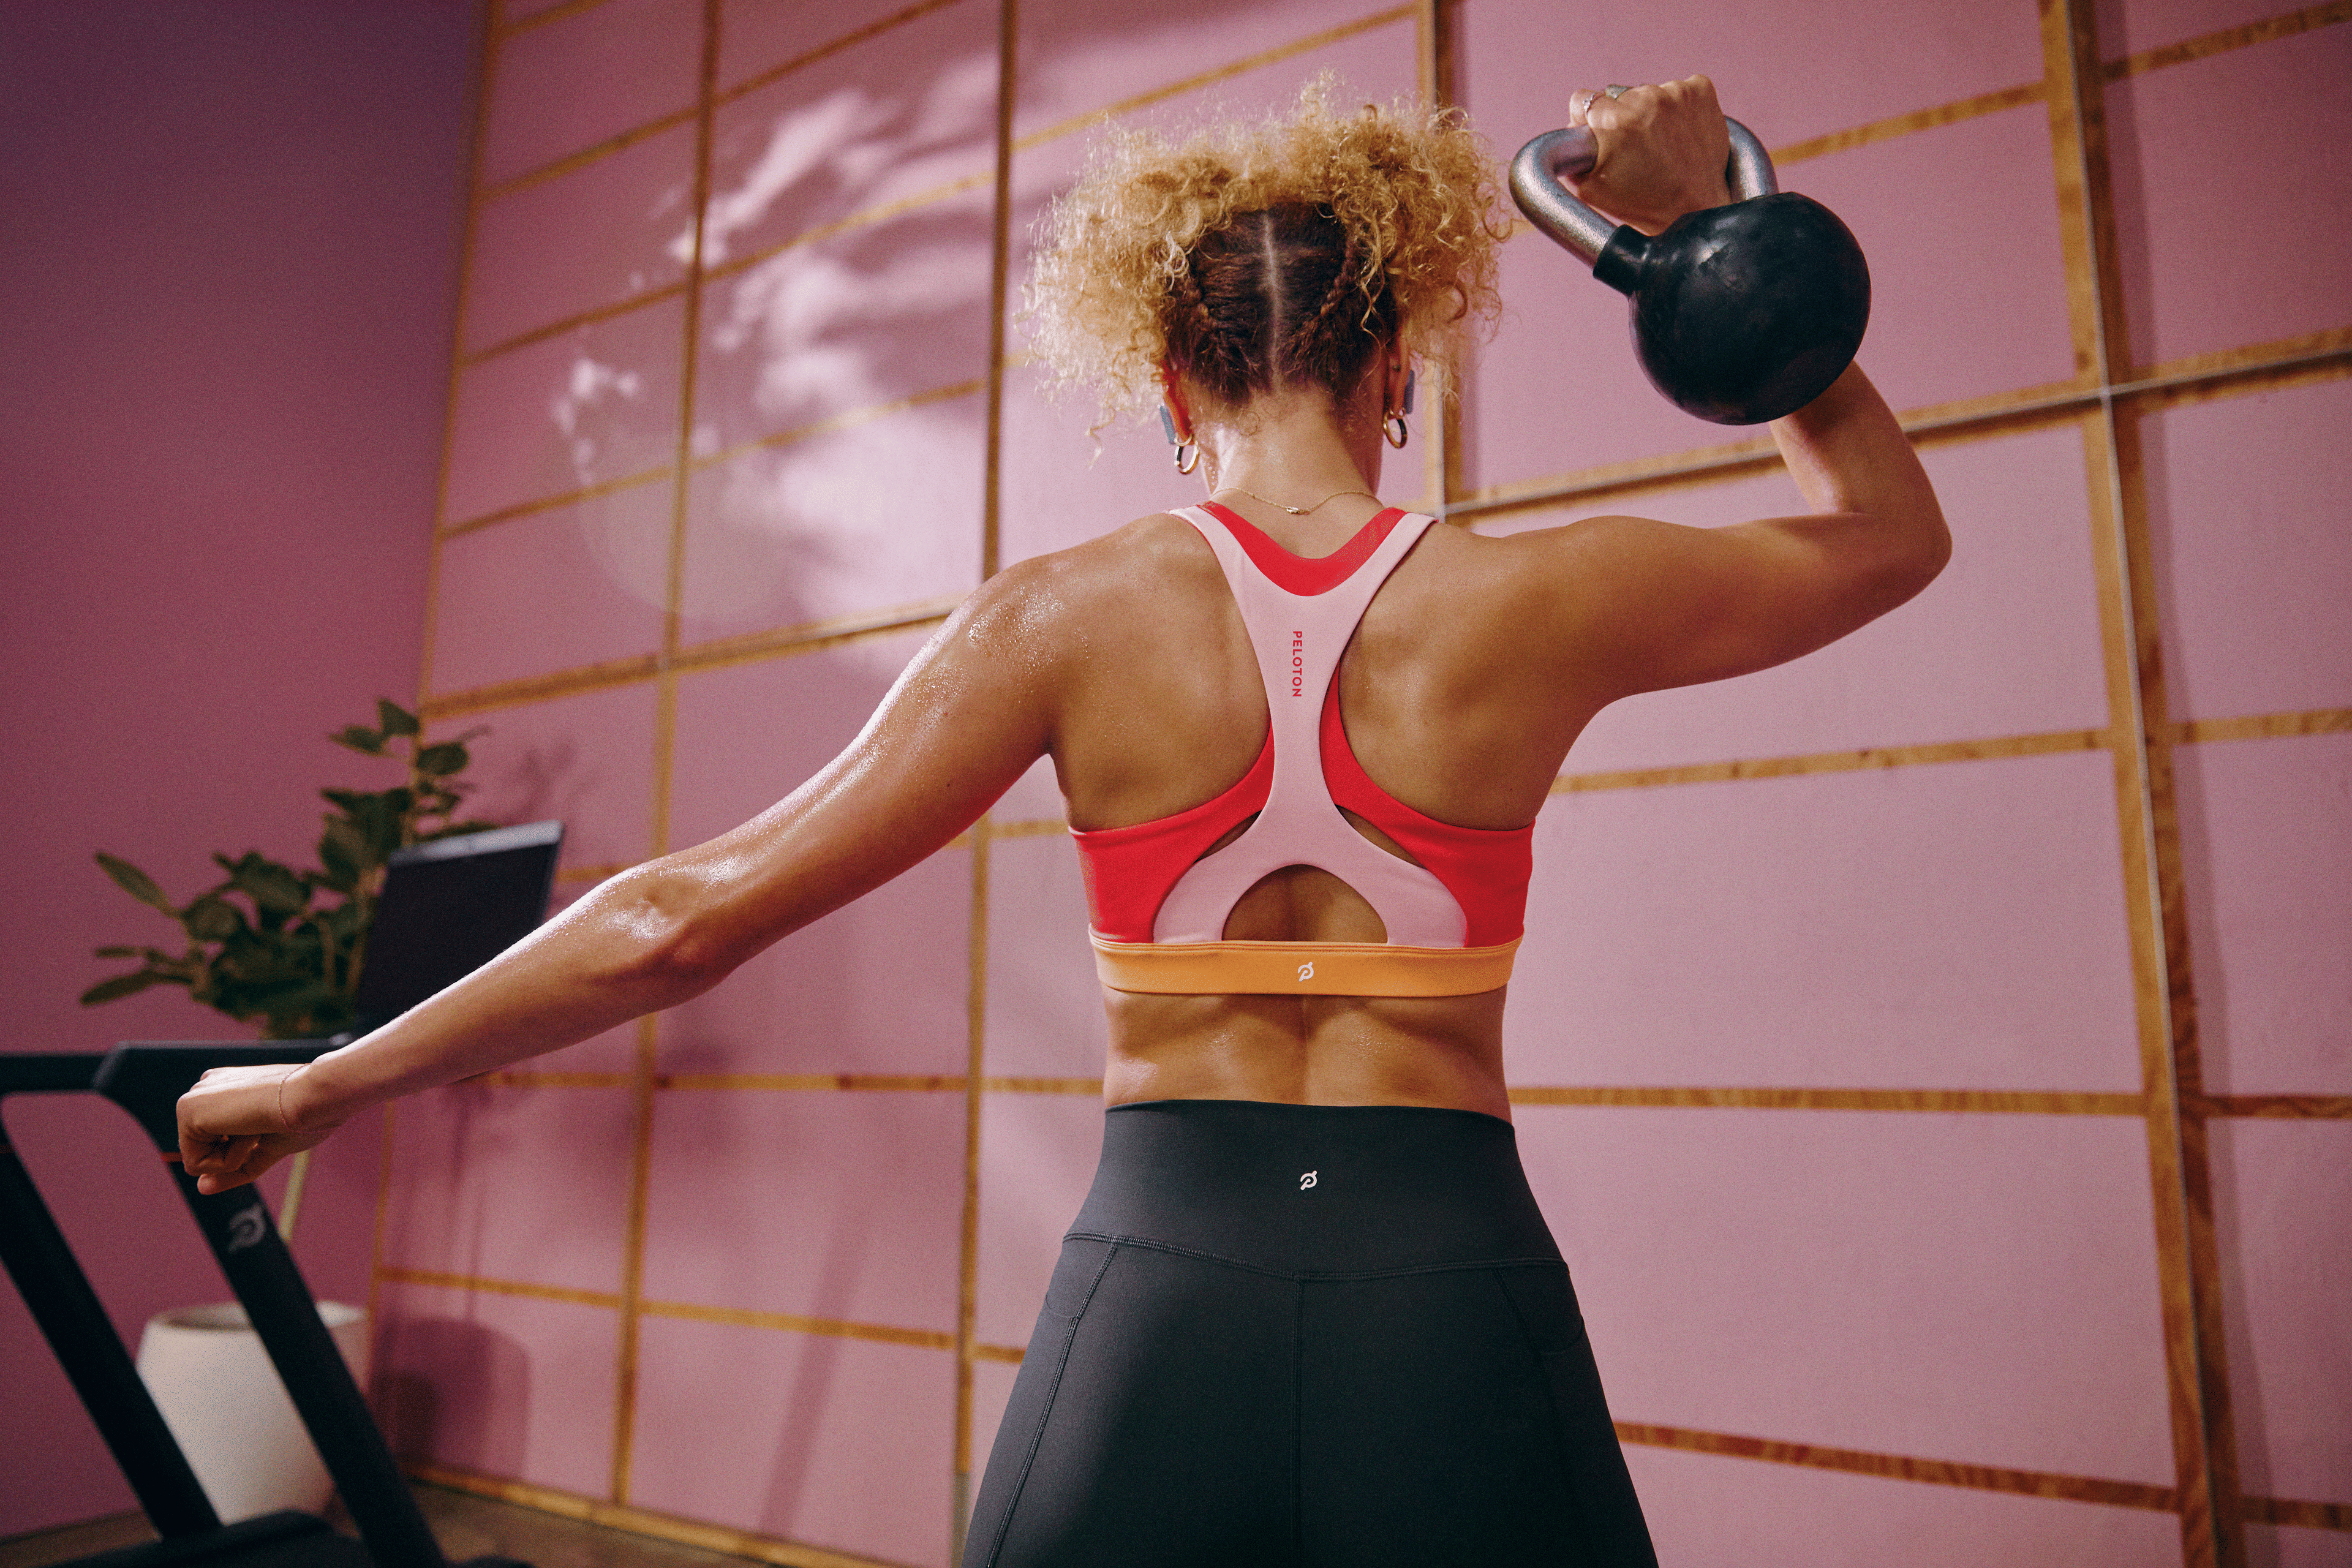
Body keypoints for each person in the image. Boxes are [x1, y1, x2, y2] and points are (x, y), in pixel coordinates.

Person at [179, 75, 1948, 1567]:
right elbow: (1886, 533)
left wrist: (320, 1082)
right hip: (1455, 1279)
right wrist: (1703, 247)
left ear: (1172, 385)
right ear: (1396, 363)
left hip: (1162, 1287)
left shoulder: (1059, 622)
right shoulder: (1544, 600)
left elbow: (680, 922)